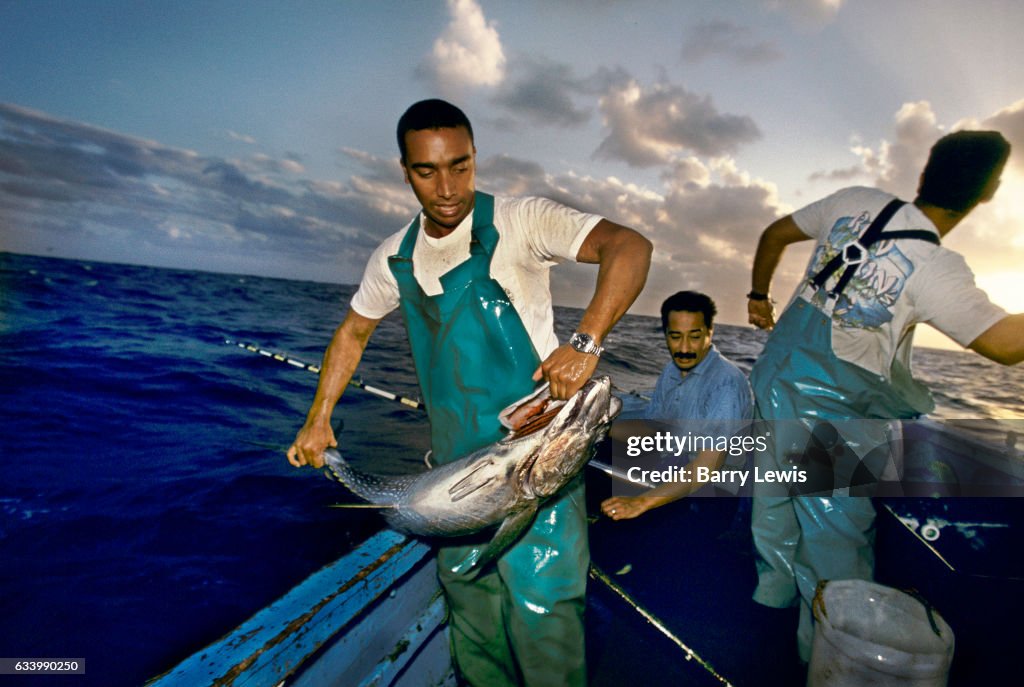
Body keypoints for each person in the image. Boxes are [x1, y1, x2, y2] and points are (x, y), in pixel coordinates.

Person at [287, 99, 652, 687]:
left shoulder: (521, 221)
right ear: (405, 170)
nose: (448, 186)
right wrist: (318, 419)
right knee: (473, 624)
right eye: (427, 171)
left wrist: (586, 343)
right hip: (452, 479)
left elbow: (630, 247)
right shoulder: (395, 257)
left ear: (475, 157)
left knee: (545, 618)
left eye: (460, 166)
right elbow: (354, 331)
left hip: (539, 471)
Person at [745, 130, 1023, 662]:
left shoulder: (854, 201)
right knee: (836, 547)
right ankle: (822, 658)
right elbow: (1007, 346)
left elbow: (774, 234)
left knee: (773, 510)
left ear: (926, 170)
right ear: (988, 193)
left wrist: (759, 296)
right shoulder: (939, 269)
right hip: (832, 418)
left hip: (772, 378)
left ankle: (767, 609)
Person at [600, 291, 753, 520]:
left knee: (615, 538)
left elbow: (706, 467)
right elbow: (654, 430)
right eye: (675, 336)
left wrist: (641, 502)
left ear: (710, 333)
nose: (684, 348)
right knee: (594, 452)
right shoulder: (672, 370)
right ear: (665, 335)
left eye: (694, 336)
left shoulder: (725, 383)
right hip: (672, 466)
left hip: (712, 493)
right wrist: (598, 430)